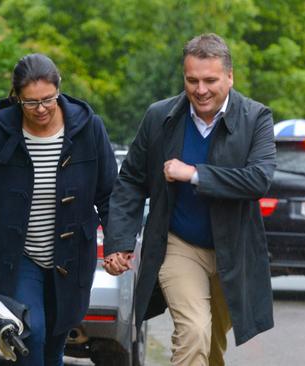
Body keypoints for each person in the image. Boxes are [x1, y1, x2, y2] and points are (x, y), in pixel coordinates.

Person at [103, 33, 276, 366]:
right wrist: (119, 241)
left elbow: (259, 179)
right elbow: (131, 181)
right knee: (194, 331)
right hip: (178, 245)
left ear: (230, 76)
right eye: (191, 80)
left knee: (211, 347)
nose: (200, 90)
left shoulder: (256, 119)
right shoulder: (160, 117)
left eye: (210, 80)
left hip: (233, 251)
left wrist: (193, 173)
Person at [0, 53, 117, 366]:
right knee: (32, 333)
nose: (41, 109)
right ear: (16, 97)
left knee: (57, 338)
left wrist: (117, 245)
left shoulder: (88, 129)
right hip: (18, 255)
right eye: (31, 102)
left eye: (48, 99)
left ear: (59, 90)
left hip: (70, 256)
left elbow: (109, 194)